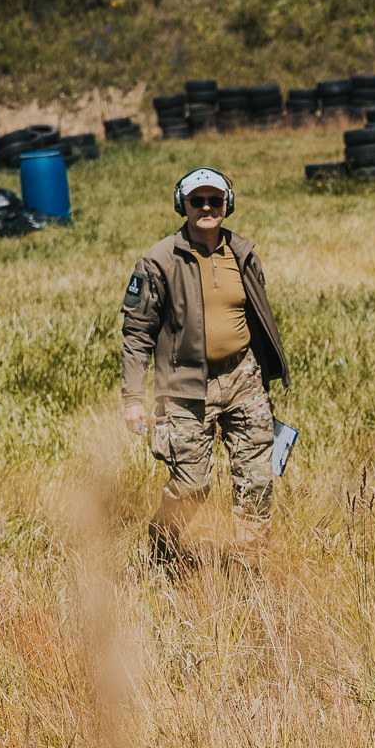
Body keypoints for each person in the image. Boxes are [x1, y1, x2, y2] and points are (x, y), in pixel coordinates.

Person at [120, 168, 290, 569]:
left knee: (256, 481)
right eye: (197, 201)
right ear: (183, 205)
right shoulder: (158, 261)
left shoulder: (243, 254)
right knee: (192, 485)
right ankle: (162, 549)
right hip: (185, 387)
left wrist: (264, 373)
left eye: (215, 200)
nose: (207, 208)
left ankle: (250, 572)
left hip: (243, 378)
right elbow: (137, 332)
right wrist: (133, 398)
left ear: (227, 204)